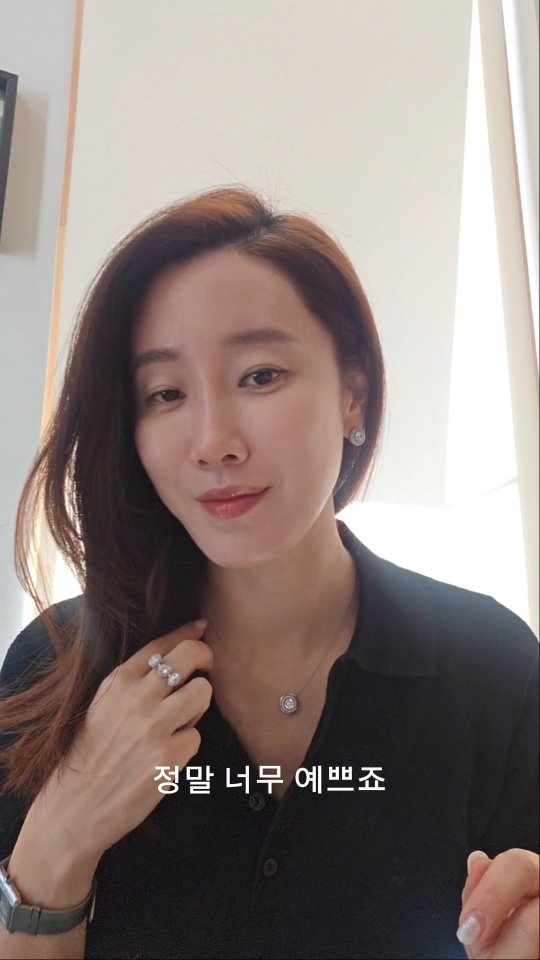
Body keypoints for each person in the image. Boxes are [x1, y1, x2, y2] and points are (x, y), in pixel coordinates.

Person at [0, 185, 538, 960]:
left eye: (259, 376)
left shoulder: (493, 668)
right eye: (166, 393)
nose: (213, 442)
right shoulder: (56, 666)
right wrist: (58, 841)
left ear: (353, 394)